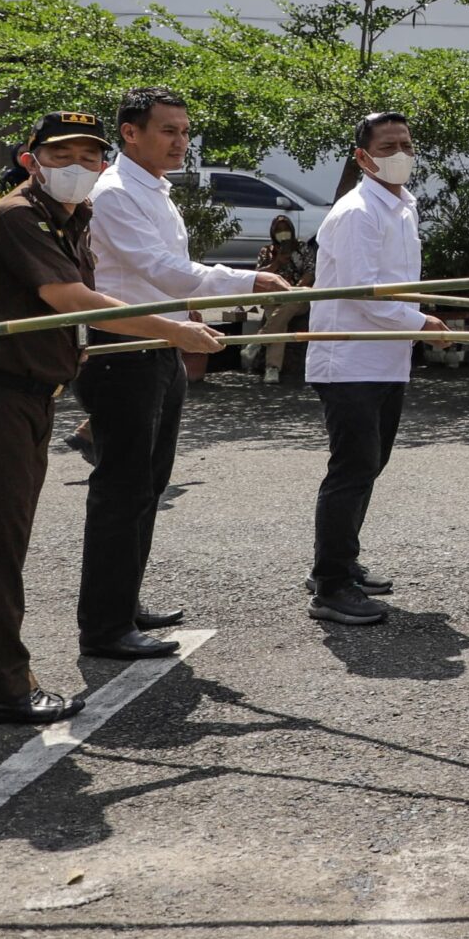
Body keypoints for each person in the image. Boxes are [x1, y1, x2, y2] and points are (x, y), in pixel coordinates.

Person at [0, 111, 225, 727]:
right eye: (62, 157)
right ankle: (4, 686)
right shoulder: (19, 215)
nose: (79, 169)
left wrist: (79, 346)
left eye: (90, 157)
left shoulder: (75, 217)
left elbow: (73, 313)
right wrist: (175, 328)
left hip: (31, 395)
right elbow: (71, 300)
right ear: (32, 160)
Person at [79, 89, 289, 661]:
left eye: (183, 131)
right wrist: (246, 281)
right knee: (122, 490)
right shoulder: (116, 193)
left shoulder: (154, 190)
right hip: (123, 351)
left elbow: (165, 277)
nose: (181, 142)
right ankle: (104, 626)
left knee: (147, 484)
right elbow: (163, 272)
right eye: (168, 131)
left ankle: (122, 604)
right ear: (130, 133)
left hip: (161, 348)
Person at [302, 113, 445, 626]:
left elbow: (392, 287)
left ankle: (340, 563)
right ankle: (331, 585)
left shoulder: (401, 206)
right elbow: (362, 294)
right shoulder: (358, 211)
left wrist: (414, 319)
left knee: (368, 466)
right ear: (362, 157)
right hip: (351, 359)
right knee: (352, 469)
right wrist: (420, 320)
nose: (401, 153)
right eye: (388, 146)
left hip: (386, 357)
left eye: (407, 143)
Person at [254, 214, 314, 385]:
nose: (283, 233)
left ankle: (259, 342)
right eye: (279, 230)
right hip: (274, 297)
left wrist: (295, 289)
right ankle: (272, 370)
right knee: (279, 317)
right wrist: (277, 262)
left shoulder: (302, 248)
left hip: (297, 297)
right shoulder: (267, 251)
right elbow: (258, 275)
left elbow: (310, 271)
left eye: (285, 229)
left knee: (288, 305)